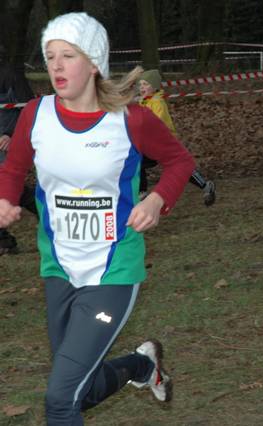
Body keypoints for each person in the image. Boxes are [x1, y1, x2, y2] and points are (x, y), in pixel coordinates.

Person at [0, 12, 196, 424]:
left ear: (93, 63)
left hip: (113, 272)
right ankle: (142, 367)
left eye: (67, 56)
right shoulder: (36, 115)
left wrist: (157, 200)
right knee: (79, 390)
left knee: (60, 399)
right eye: (50, 55)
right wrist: (5, 197)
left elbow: (180, 161)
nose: (55, 65)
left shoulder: (130, 120)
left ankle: (140, 369)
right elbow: (13, 168)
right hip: (58, 269)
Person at [137, 69, 216, 206]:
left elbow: (155, 124)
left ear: (154, 86)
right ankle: (142, 192)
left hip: (165, 143)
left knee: (179, 167)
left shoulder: (158, 103)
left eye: (145, 84)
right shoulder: (143, 102)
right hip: (151, 145)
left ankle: (206, 186)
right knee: (137, 160)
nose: (142, 87)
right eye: (140, 84)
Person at [0, 63, 37, 254]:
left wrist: (11, 135)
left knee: (15, 188)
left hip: (6, 145)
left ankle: (46, 212)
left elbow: (29, 110)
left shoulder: (11, 75)